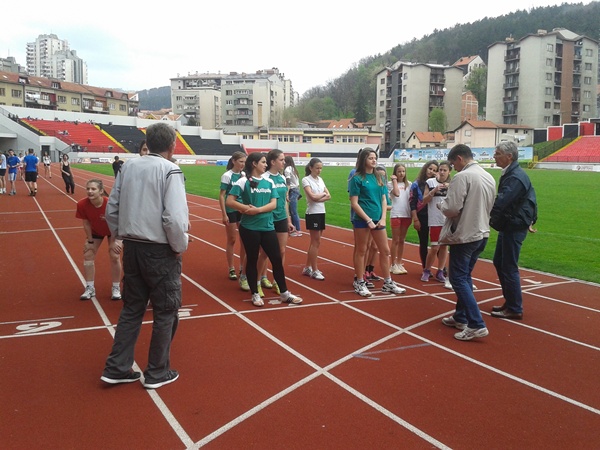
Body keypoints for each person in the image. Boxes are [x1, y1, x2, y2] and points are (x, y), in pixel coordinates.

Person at [101, 122, 189, 389]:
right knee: (166, 310)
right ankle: (157, 372)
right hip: (160, 249)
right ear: (173, 145)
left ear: (148, 143)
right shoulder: (170, 170)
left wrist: (120, 234)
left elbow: (112, 209)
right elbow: (174, 218)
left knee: (132, 308)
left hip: (133, 247)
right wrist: (179, 246)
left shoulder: (128, 167)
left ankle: (116, 367)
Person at [226, 152, 302, 307]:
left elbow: (274, 204)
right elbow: (229, 201)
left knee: (276, 259)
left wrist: (258, 210)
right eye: (263, 162)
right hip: (250, 228)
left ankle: (284, 293)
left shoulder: (269, 182)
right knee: (252, 259)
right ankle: (254, 293)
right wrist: (245, 208)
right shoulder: (243, 181)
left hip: (267, 226)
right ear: (254, 164)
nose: (265, 165)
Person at [439, 144, 496, 341]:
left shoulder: (462, 177)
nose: (453, 168)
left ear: (460, 159)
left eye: (453, 164)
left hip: (465, 234)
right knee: (465, 276)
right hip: (482, 232)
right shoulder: (488, 176)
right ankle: (461, 316)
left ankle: (476, 323)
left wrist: (441, 204)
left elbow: (451, 208)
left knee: (458, 278)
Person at [489, 141, 538, 320]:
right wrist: (532, 218)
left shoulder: (515, 177)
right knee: (499, 261)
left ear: (509, 156)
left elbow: (502, 201)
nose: (494, 156)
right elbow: (531, 195)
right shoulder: (512, 173)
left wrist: (485, 217)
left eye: (498, 153)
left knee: (508, 265)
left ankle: (514, 307)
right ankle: (510, 301)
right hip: (511, 224)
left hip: (514, 225)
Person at [349, 148, 406, 297]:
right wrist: (367, 220)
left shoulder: (379, 177)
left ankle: (388, 282)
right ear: (364, 160)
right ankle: (359, 281)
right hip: (362, 219)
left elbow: (383, 199)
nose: (374, 160)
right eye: (370, 158)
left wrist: (382, 218)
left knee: (385, 250)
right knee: (362, 250)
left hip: (378, 219)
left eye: (375, 158)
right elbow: (354, 203)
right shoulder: (356, 178)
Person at [76, 179, 123, 301]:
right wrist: (90, 241)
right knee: (88, 254)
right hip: (96, 231)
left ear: (101, 191)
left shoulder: (110, 204)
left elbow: (118, 223)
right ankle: (90, 287)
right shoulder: (82, 204)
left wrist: (115, 241)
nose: (90, 191)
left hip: (113, 231)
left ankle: (116, 287)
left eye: (93, 189)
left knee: (114, 255)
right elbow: (86, 223)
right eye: (88, 189)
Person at [256, 150, 295, 295]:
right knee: (265, 252)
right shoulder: (264, 178)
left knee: (281, 251)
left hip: (281, 218)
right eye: (281, 160)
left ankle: (277, 282)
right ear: (273, 162)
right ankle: (257, 282)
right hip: (268, 218)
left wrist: (288, 220)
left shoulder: (282, 178)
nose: (284, 162)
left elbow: (284, 200)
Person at [219, 151, 249, 289]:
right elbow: (222, 196)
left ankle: (242, 267)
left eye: (244, 162)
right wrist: (224, 214)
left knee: (244, 240)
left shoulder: (244, 175)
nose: (243, 164)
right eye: (241, 161)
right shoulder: (227, 175)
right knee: (232, 239)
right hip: (231, 210)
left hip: (242, 209)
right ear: (233, 161)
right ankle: (231, 268)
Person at [420, 161, 452, 283]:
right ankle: (427, 270)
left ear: (449, 172)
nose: (442, 172)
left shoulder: (453, 184)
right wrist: (433, 191)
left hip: (447, 220)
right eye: (440, 170)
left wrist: (450, 188)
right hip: (435, 219)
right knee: (434, 247)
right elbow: (424, 200)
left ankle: (440, 271)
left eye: (445, 170)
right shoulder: (430, 182)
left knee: (444, 247)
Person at [301, 158, 331, 281]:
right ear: (311, 168)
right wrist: (321, 195)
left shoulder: (320, 180)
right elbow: (312, 197)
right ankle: (314, 269)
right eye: (317, 168)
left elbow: (329, 195)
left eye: (321, 168)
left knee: (316, 242)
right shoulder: (306, 180)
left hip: (321, 212)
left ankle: (307, 267)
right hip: (312, 213)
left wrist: (319, 197)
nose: (319, 170)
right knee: (315, 241)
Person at [410, 160, 439, 269]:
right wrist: (415, 219)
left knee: (438, 244)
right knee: (424, 242)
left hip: (436, 216)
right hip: (422, 216)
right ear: (425, 168)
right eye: (430, 168)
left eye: (435, 170)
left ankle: (442, 268)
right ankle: (426, 268)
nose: (431, 171)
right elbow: (412, 203)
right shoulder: (416, 184)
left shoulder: (437, 184)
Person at [388, 163, 411, 275]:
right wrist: (394, 181)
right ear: (395, 173)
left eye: (403, 171)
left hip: (406, 214)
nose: (401, 173)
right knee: (395, 240)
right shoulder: (390, 184)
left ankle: (399, 262)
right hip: (396, 214)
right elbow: (396, 193)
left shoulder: (409, 184)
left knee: (402, 240)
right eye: (399, 171)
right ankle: (393, 264)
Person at [284, 155, 302, 236]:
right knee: (292, 210)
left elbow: (288, 182)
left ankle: (297, 229)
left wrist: (287, 193)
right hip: (296, 190)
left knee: (293, 211)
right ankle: (295, 228)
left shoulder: (287, 169)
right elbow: (297, 183)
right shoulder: (294, 169)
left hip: (292, 190)